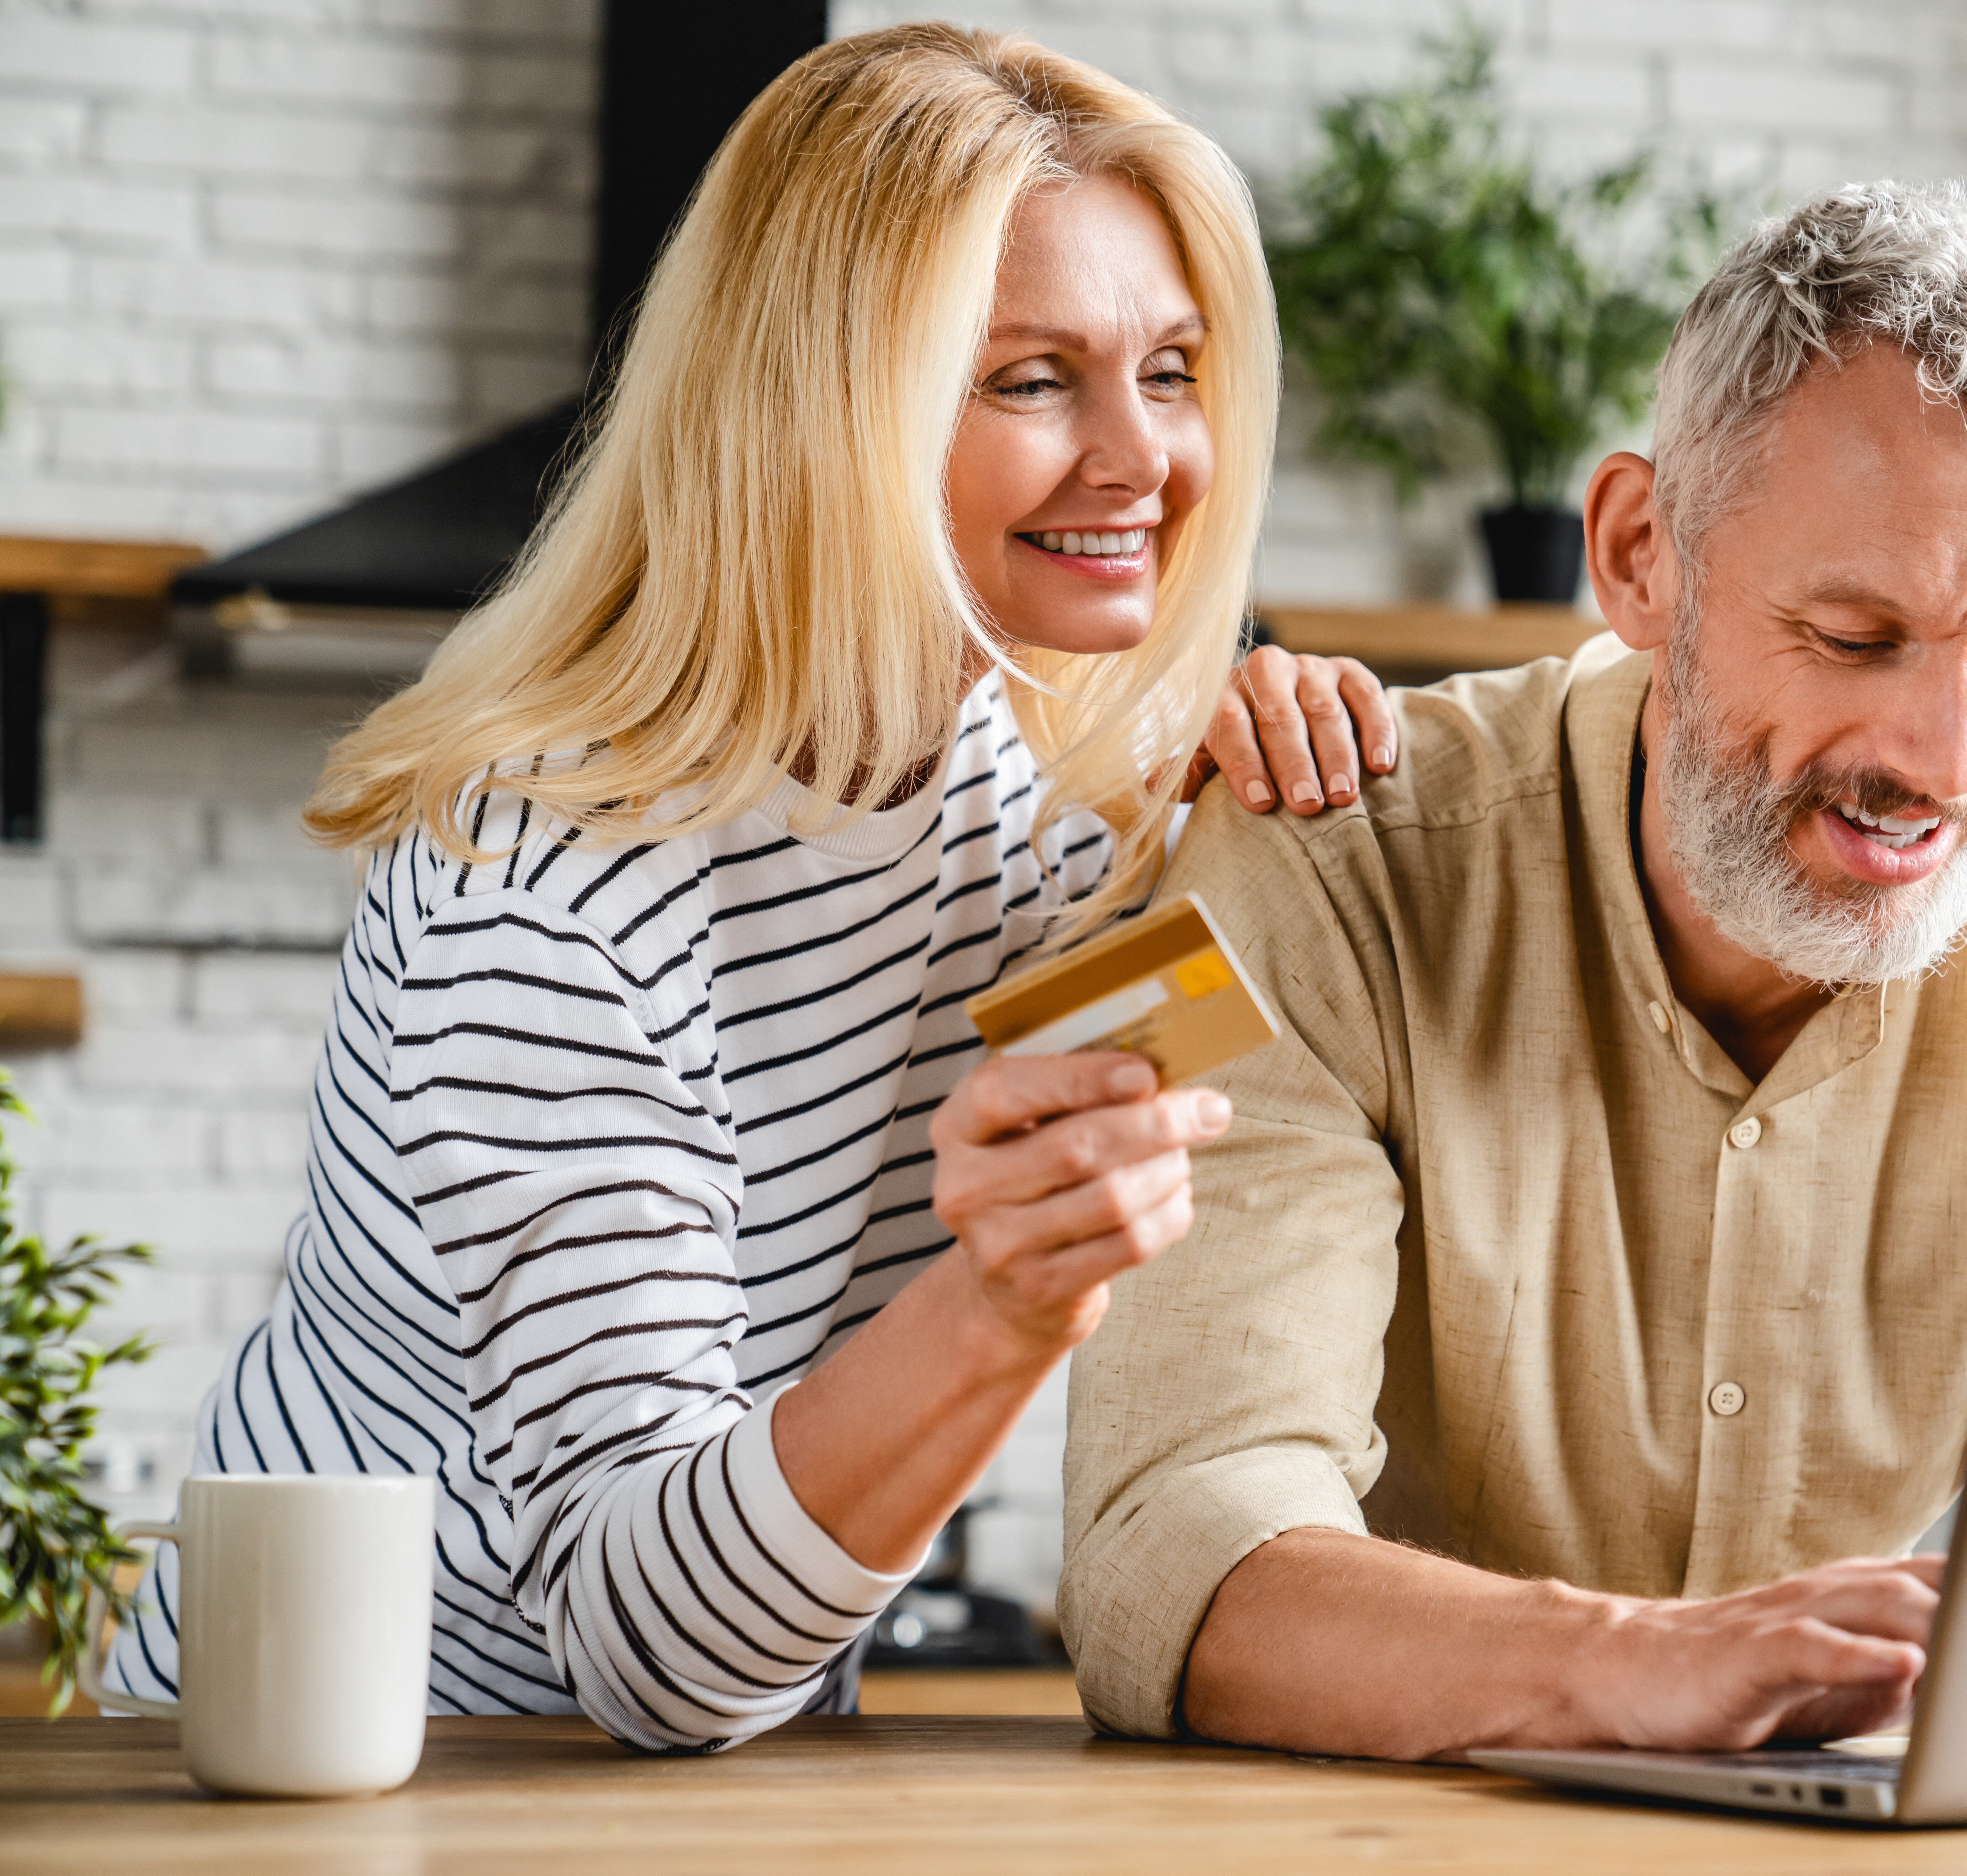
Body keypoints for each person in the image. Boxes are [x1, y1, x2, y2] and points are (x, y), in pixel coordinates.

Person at [101, 26, 1399, 1753]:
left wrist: (1275, 799)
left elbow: (1284, 1093)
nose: (1140, 460)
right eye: (1030, 379)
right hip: (346, 1772)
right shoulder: (546, 892)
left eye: (1171, 371)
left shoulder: (1036, 806)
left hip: (699, 1798)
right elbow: (656, 1652)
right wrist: (1002, 1300)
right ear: (826, 405)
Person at [1060, 181, 1967, 1761]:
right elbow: (1174, 1546)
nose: (1944, 760)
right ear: (1637, 555)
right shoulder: (1326, 875)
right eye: (1853, 634)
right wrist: (1629, 1664)